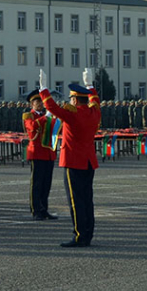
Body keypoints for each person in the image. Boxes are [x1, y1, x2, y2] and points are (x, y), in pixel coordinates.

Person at [39, 68, 101, 247]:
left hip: (74, 160)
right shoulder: (93, 113)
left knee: (75, 200)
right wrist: (90, 85)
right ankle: (88, 234)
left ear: (74, 100)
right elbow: (96, 101)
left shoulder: (73, 114)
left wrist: (43, 88)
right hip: (88, 161)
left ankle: (79, 235)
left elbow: (51, 107)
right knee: (87, 199)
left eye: (70, 98)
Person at [22, 89, 58, 221]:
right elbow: (31, 129)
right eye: (37, 102)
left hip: (48, 152)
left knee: (46, 184)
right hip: (36, 153)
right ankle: (36, 209)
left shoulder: (46, 116)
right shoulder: (29, 116)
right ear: (31, 104)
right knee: (36, 184)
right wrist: (45, 117)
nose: (40, 104)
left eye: (41, 101)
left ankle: (44, 209)